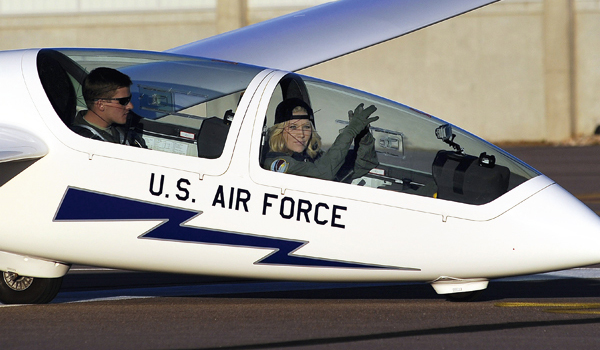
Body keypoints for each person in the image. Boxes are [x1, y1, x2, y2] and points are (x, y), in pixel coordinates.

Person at [262, 98, 379, 181]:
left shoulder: (315, 159)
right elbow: (321, 174)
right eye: (293, 127)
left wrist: (363, 135)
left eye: (306, 127)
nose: (301, 134)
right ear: (279, 132)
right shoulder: (275, 163)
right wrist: (350, 132)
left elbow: (365, 164)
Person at [71, 67, 146, 147]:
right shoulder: (80, 141)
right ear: (101, 105)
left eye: (130, 99)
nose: (130, 106)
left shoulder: (123, 132)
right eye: (123, 101)